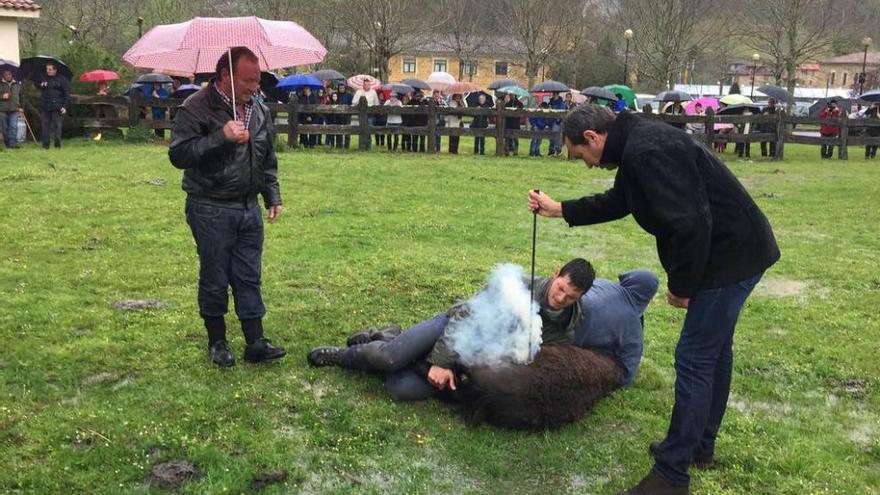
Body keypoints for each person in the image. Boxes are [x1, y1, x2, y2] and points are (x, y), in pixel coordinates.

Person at [528, 105, 779, 495]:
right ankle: (699, 446)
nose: (587, 166)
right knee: (715, 351)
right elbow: (620, 201)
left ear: (593, 138)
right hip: (736, 250)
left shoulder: (647, 151)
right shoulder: (637, 147)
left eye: (581, 156)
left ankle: (671, 476)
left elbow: (689, 223)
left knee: (695, 358)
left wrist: (682, 286)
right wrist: (560, 209)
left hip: (731, 256)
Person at [307, 259, 621, 400]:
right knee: (389, 360)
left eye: (571, 296)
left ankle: (386, 336)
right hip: (454, 327)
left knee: (400, 389)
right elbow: (467, 315)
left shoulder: (567, 326)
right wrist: (442, 362)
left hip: (473, 358)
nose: (561, 298)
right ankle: (344, 355)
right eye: (561, 287)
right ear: (556, 274)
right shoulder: (517, 286)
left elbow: (536, 359)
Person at [168, 47, 286, 368]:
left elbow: (267, 159)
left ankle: (255, 340)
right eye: (247, 80)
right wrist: (221, 136)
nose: (254, 86)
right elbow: (179, 155)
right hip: (210, 206)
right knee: (215, 275)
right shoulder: (196, 107)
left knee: (249, 275)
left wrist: (271, 195)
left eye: (257, 80)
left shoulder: (259, 110)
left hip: (248, 208)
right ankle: (217, 341)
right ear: (224, 76)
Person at [38, 63, 69, 149]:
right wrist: (40, 85)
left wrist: (64, 106)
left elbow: (66, 93)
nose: (48, 71)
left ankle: (57, 144)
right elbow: (36, 84)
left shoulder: (62, 79)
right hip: (45, 105)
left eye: (50, 69)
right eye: (47, 69)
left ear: (55, 70)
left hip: (57, 106)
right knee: (45, 126)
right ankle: (45, 145)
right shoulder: (43, 77)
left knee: (57, 126)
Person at [353, 79, 379, 150]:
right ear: (363, 85)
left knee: (369, 129)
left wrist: (374, 111)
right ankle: (362, 145)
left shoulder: (373, 92)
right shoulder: (359, 92)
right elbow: (354, 102)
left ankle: (368, 146)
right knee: (362, 129)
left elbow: (376, 103)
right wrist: (360, 97)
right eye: (366, 84)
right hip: (361, 114)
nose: (367, 86)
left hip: (370, 114)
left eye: (368, 84)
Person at [0, 69, 22, 149]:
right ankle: (7, 143)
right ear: (3, 75)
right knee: (4, 128)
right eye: (6, 74)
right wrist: (2, 96)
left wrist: (22, 107)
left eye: (9, 74)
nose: (8, 76)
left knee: (13, 126)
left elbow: (22, 96)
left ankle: (12, 144)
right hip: (2, 110)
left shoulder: (17, 84)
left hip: (14, 109)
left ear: (12, 75)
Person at [335, 83, 353, 148]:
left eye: (343, 88)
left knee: (347, 130)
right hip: (338, 116)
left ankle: (346, 145)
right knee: (338, 130)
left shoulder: (349, 95)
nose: (341, 89)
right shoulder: (336, 95)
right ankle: (338, 144)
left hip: (347, 115)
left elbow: (351, 104)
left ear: (345, 88)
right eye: (340, 88)